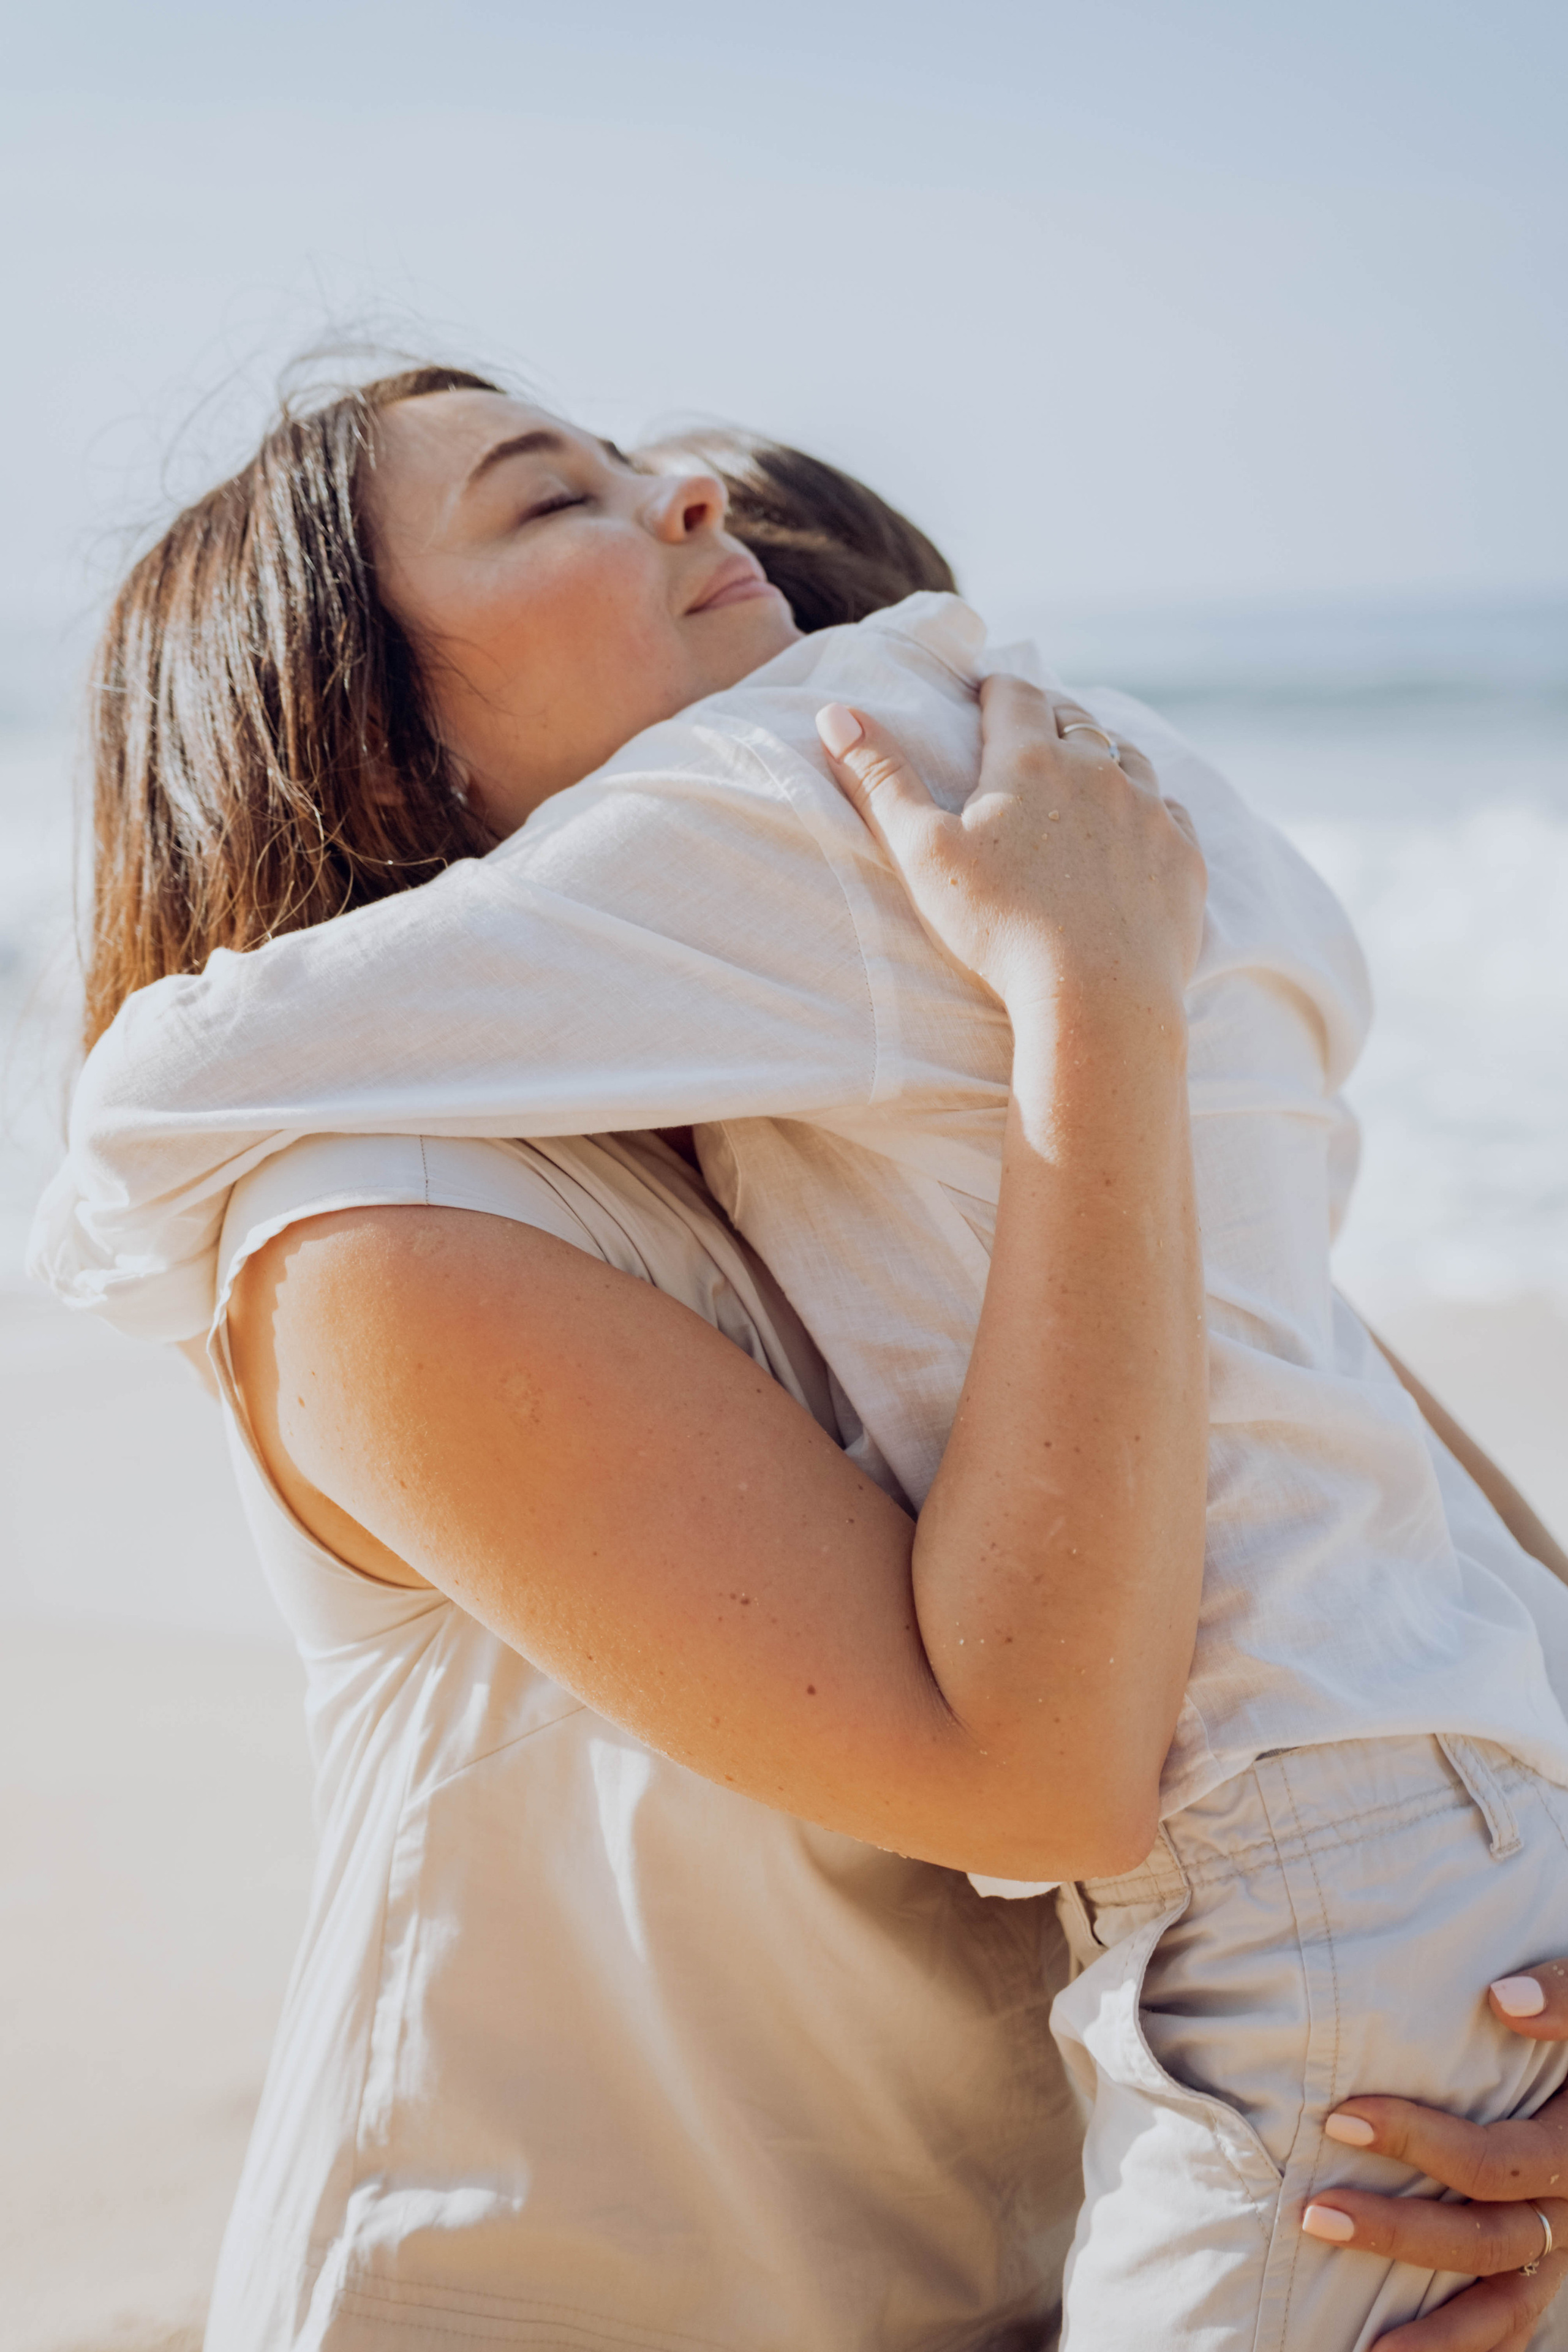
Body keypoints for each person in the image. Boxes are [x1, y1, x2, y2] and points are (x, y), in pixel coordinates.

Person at [34, 366, 1568, 2350]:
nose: (696, 517)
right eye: (542, 504)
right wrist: (1092, 998)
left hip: (1026, 2274)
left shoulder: (884, 1152)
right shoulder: (376, 1227)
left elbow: (1461, 1576)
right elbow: (1039, 1782)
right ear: (378, 758)